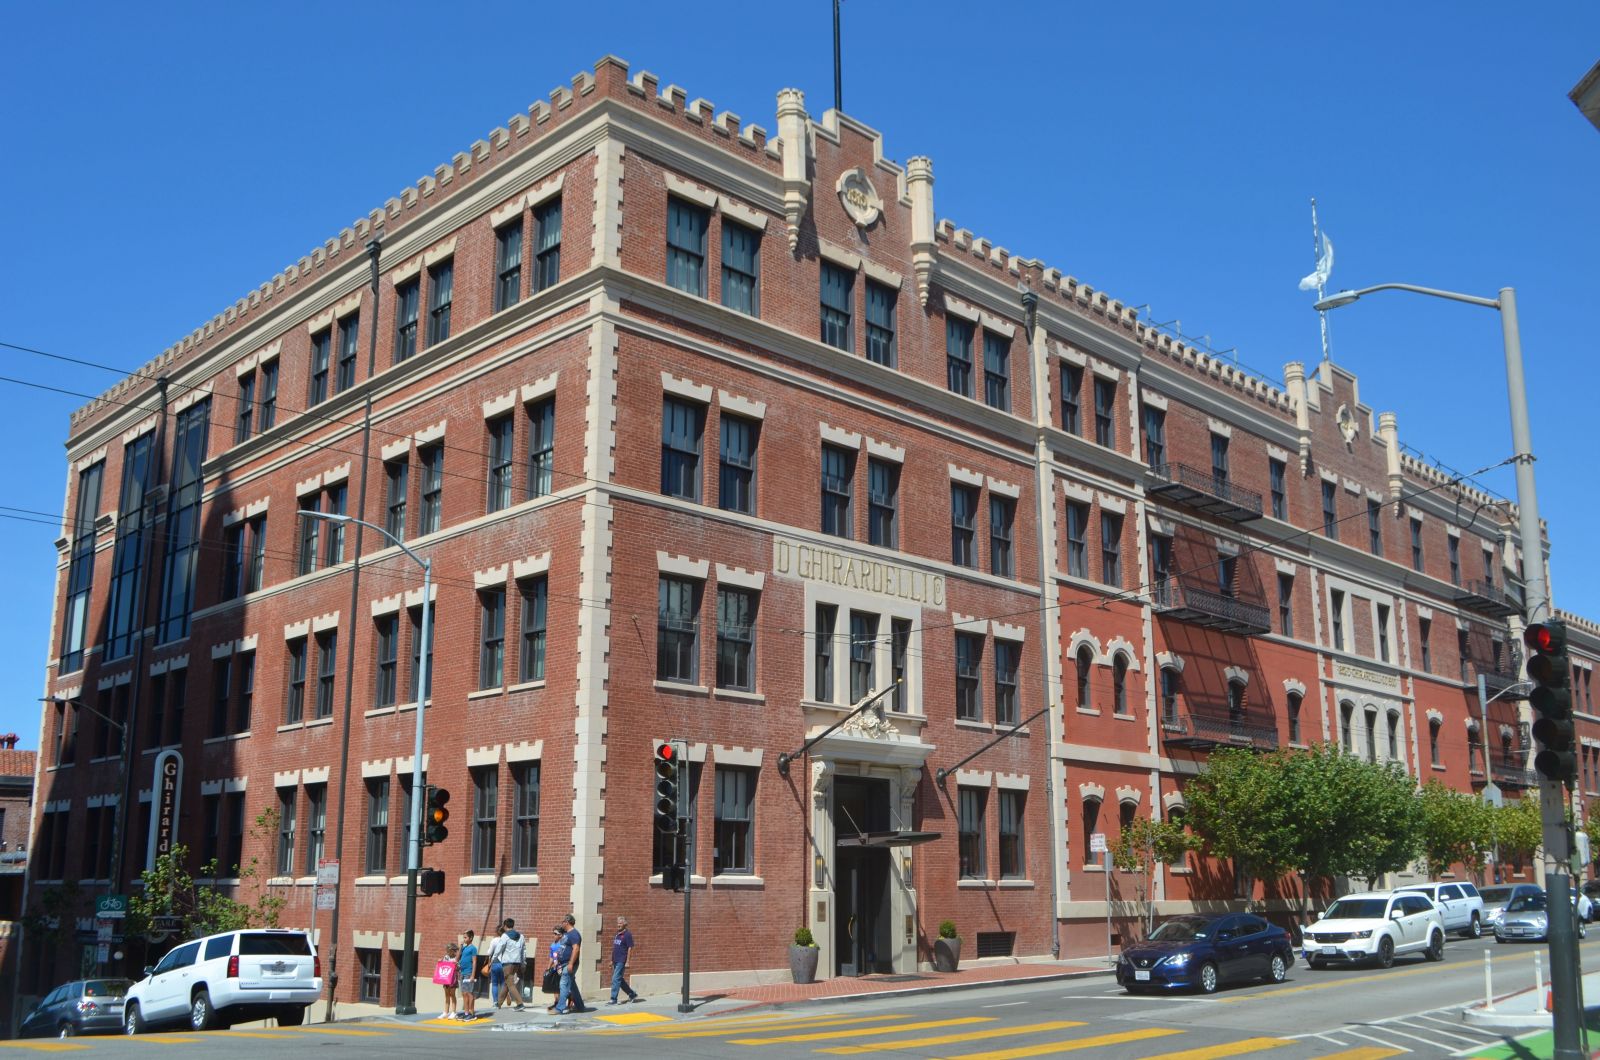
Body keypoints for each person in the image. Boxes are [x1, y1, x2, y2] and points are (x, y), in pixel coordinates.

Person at [553, 913, 585, 1014]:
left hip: (569, 964)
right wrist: (557, 961)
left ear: (567, 922)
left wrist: (571, 963)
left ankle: (560, 1008)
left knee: (563, 983)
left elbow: (576, 949)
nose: (562, 923)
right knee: (571, 985)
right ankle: (580, 1006)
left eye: (563, 922)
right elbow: (562, 948)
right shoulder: (566, 934)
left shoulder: (574, 934)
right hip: (562, 963)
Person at [608, 915, 640, 1005]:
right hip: (615, 960)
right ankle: (632, 994)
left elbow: (630, 948)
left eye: (620, 923)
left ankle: (613, 999)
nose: (618, 925)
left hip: (622, 960)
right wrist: (611, 960)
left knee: (615, 979)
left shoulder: (627, 935)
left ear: (625, 924)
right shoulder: (617, 934)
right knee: (619, 979)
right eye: (618, 923)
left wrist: (628, 961)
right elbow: (615, 948)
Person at [498, 919, 526, 1010]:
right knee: (507, 983)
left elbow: (499, 948)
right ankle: (499, 1003)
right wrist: (523, 963)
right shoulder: (521, 936)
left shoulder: (504, 936)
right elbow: (523, 951)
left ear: (505, 926)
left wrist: (494, 957)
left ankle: (520, 1003)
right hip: (516, 962)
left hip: (507, 962)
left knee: (510, 984)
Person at [484, 922, 507, 1013]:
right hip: (504, 964)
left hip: (495, 963)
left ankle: (495, 1002)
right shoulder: (506, 940)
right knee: (503, 983)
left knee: (494, 984)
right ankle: (501, 1002)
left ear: (496, 932)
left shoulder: (494, 940)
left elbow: (489, 952)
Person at [457, 930, 479, 1021]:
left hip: (469, 973)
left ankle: (472, 1013)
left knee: (469, 993)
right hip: (462, 973)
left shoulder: (473, 948)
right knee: (464, 993)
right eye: (463, 937)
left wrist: (472, 975)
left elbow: (474, 962)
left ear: (471, 938)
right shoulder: (464, 948)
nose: (464, 939)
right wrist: (460, 947)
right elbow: (457, 958)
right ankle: (466, 1013)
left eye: (465, 937)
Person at [440, 941, 460, 1020]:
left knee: (452, 994)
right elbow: (443, 966)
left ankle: (454, 1012)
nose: (447, 952)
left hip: (453, 978)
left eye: (449, 950)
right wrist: (440, 962)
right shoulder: (446, 957)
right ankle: (446, 1012)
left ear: (452, 950)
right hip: (446, 978)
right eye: (447, 950)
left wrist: (456, 965)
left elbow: (459, 968)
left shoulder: (456, 958)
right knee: (447, 995)